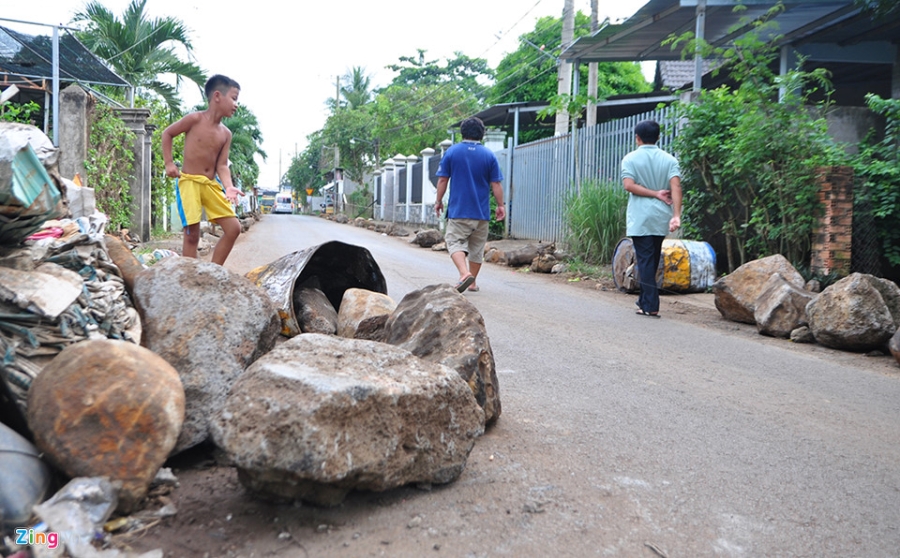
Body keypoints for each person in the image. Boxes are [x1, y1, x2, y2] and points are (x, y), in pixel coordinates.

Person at [162, 74, 243, 266]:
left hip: (210, 185)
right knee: (191, 234)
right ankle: (190, 279)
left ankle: (213, 271)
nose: (236, 104)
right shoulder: (195, 119)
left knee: (233, 228)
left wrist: (229, 186)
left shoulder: (226, 133)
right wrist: (169, 163)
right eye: (233, 98)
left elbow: (222, 165)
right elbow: (168, 133)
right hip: (189, 182)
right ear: (217, 96)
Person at [435, 117, 506, 293]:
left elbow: (443, 179)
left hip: (459, 210)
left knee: (454, 241)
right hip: (481, 212)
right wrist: (500, 205)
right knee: (477, 248)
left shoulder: (452, 152)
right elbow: (496, 184)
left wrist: (438, 201)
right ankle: (473, 282)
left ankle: (464, 273)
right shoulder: (489, 155)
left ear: (462, 132)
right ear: (481, 133)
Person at [621, 119, 682, 318]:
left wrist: (654, 193)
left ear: (637, 138)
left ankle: (650, 304)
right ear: (658, 137)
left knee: (646, 260)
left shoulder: (630, 159)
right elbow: (676, 188)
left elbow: (629, 186)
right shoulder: (670, 160)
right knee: (652, 259)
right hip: (661, 216)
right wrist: (676, 216)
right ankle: (645, 300)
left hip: (640, 217)